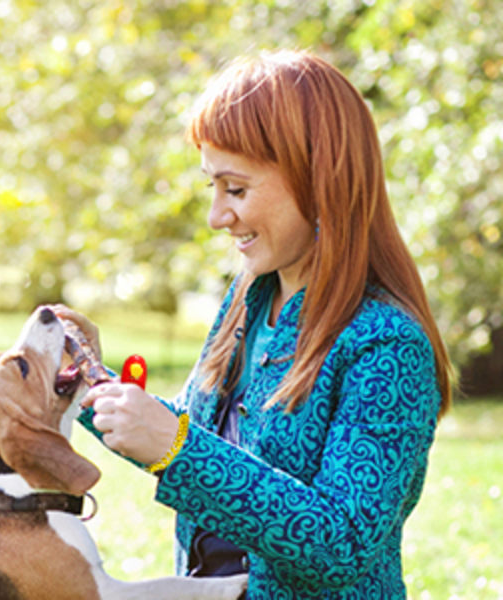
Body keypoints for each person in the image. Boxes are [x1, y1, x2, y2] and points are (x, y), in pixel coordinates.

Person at [55, 49, 453, 599]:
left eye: (236, 190)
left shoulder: (386, 345)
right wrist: (90, 383)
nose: (218, 216)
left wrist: (175, 448)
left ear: (319, 180)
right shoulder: (249, 297)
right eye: (211, 187)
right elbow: (198, 436)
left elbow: (343, 544)